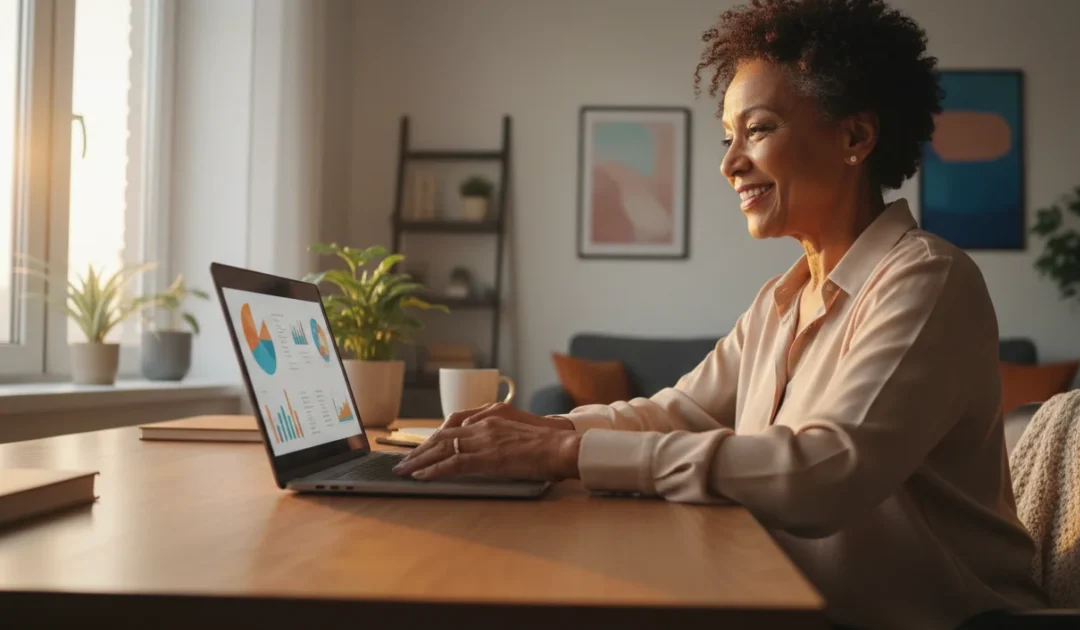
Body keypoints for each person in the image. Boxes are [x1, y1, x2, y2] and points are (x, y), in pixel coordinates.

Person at [394, 0, 1047, 627]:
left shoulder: (926, 280)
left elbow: (824, 474)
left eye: (757, 130)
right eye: (729, 136)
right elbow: (672, 410)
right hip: (795, 604)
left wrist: (568, 453)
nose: (730, 163)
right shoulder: (781, 301)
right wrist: (527, 433)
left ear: (856, 135)